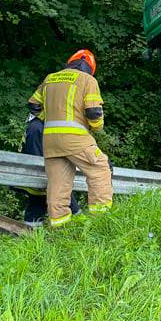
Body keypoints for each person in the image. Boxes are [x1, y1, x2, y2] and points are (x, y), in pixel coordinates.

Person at [27, 49, 112, 227]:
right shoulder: (88, 80)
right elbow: (94, 112)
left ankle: (60, 228)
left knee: (58, 185)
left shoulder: (50, 78)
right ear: (90, 68)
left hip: (50, 141)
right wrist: (97, 127)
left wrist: (48, 118)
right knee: (100, 168)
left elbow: (33, 105)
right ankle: (101, 221)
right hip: (75, 138)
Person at [16, 113, 79, 227]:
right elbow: (35, 158)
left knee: (35, 210)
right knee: (69, 207)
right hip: (41, 177)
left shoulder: (39, 125)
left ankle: (31, 239)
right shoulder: (37, 127)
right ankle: (79, 232)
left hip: (43, 177)